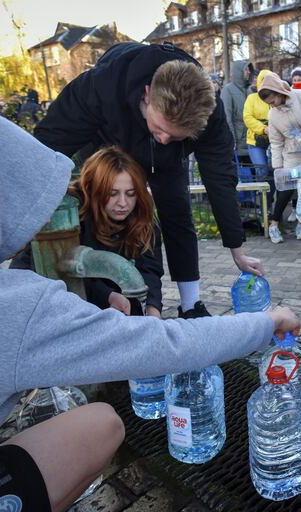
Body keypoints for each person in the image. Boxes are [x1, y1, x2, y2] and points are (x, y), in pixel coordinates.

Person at [0, 97, 300, 512]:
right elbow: (165, 346)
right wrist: (267, 321)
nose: (39, 224)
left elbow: (144, 272)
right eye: (33, 207)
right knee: (102, 425)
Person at [34, 42, 262, 320]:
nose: (164, 139)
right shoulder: (102, 86)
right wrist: (32, 208)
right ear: (147, 95)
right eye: (161, 129)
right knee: (102, 211)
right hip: (108, 141)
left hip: (167, 162)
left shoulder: (208, 116)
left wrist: (236, 249)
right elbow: (46, 146)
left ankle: (190, 305)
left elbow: (221, 179)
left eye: (175, 135)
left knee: (176, 212)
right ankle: (101, 295)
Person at [10, 146, 165, 319]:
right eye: (113, 194)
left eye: (130, 194)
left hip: (116, 302)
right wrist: (107, 296)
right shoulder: (67, 213)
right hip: (46, 301)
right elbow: (60, 272)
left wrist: (153, 311)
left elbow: (150, 270)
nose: (123, 203)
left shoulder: (142, 216)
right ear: (95, 189)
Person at [258, 72, 301, 244]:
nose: (272, 105)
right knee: (285, 190)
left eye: (272, 101)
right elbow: (276, 143)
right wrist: (278, 168)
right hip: (291, 154)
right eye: (268, 104)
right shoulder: (273, 115)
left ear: (279, 92)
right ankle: (274, 225)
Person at [244, 69, 274, 185]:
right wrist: (263, 128)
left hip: (274, 140)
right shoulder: (252, 98)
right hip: (256, 141)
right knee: (262, 171)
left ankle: (271, 201)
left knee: (274, 172)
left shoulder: (276, 97)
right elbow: (247, 118)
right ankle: (263, 199)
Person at [221, 59, 254, 159]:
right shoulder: (228, 90)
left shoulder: (249, 90)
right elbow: (227, 117)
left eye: (249, 70)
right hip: (238, 144)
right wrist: (232, 140)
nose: (249, 72)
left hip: (252, 143)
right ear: (238, 72)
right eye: (246, 70)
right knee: (242, 173)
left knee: (255, 173)